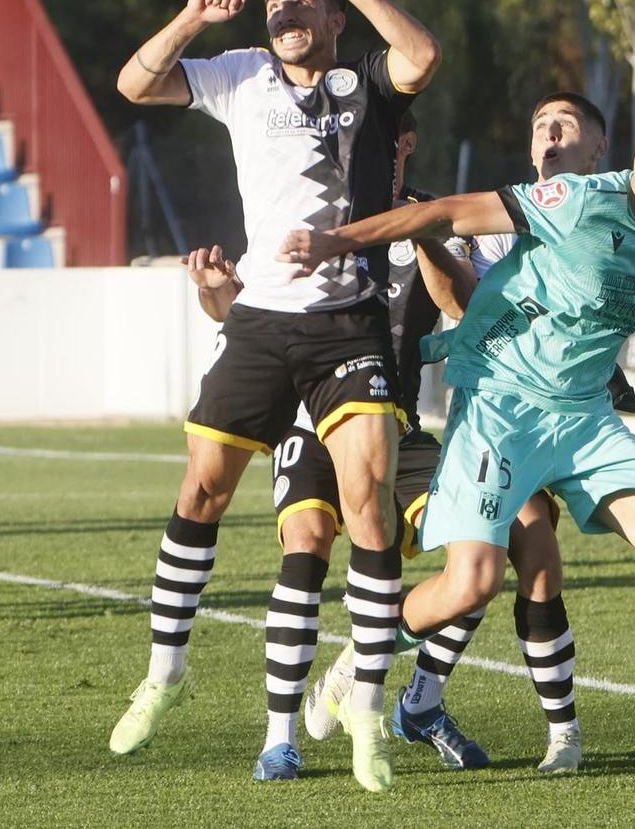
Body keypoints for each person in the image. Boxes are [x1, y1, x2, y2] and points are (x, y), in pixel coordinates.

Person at [278, 85, 635, 790]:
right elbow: (444, 212)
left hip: (585, 418)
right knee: (474, 582)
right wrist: (333, 241)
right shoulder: (581, 199)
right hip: (501, 407)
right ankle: (363, 653)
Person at [107, 0, 441, 794]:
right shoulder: (240, 72)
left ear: (331, 14)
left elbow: (423, 53)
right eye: (275, 5)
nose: (286, 13)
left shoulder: (366, 80)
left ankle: (364, 702)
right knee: (200, 492)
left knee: (367, 505)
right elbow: (135, 83)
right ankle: (165, 674)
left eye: (303, 1)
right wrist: (190, 16)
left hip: (348, 323)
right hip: (261, 319)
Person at [179, 112, 498, 781]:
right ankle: (279, 737)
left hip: (397, 426)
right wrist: (216, 294)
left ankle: (414, 697)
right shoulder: (298, 209)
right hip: (307, 420)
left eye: (370, 140)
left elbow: (465, 308)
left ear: (403, 143)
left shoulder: (432, 216)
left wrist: (425, 230)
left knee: (483, 554)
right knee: (307, 545)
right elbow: (249, 316)